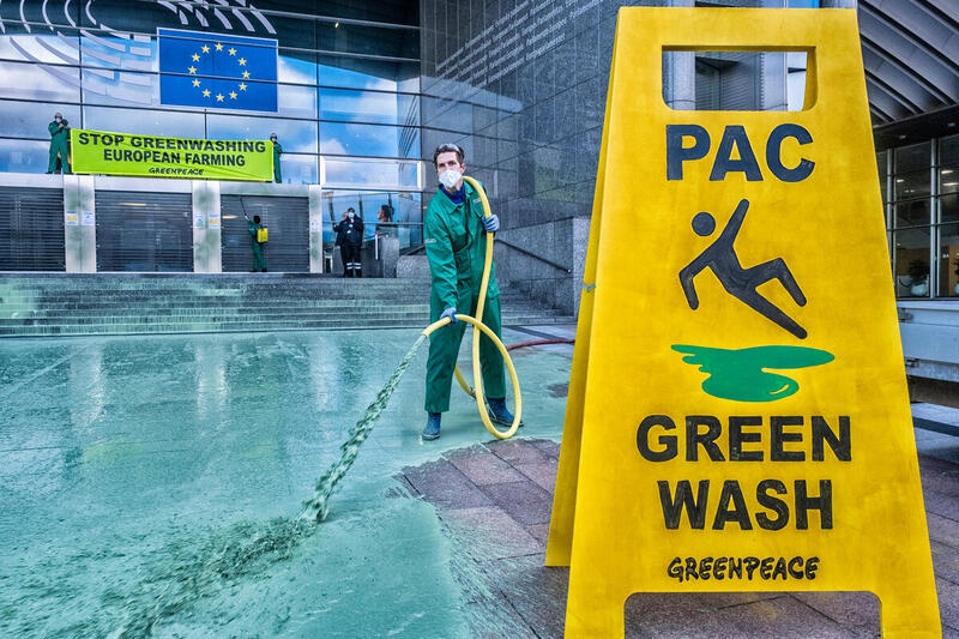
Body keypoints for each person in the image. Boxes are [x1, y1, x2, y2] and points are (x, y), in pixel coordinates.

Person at [422, 143, 520, 440]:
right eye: (441, 165)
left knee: (492, 346)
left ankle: (498, 406)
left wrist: (494, 225)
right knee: (442, 352)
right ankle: (434, 415)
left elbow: (485, 235)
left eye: (452, 163)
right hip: (452, 290)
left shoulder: (478, 196)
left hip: (484, 284)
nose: (448, 170)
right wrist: (450, 302)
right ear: (436, 171)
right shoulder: (435, 213)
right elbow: (443, 264)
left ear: (462, 167)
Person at [333, 207, 364, 277]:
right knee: (348, 260)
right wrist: (335, 226)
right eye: (349, 212)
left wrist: (353, 222)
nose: (350, 213)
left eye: (352, 212)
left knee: (357, 259)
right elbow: (339, 229)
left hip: (356, 244)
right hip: (346, 244)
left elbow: (360, 228)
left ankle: (359, 274)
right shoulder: (344, 222)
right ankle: (349, 274)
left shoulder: (358, 220)